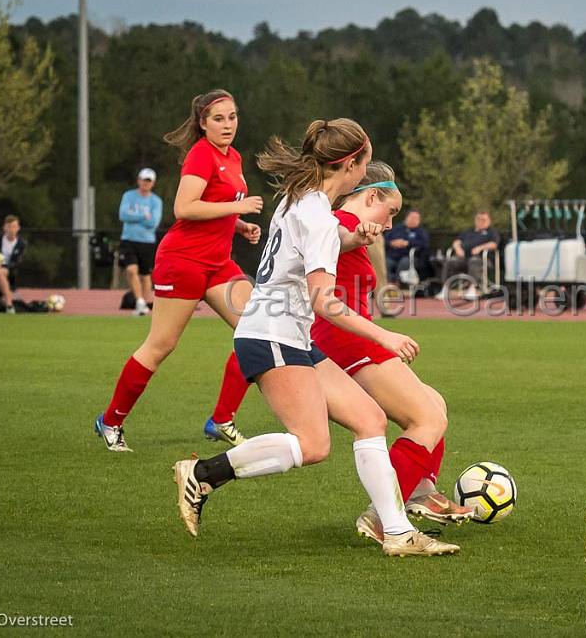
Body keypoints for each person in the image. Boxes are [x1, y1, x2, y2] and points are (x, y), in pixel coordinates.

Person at [171, 118, 458, 557]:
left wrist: (351, 236)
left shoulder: (299, 198)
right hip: (272, 334)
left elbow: (312, 243)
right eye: (366, 159)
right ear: (353, 166)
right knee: (312, 444)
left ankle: (398, 533)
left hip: (289, 334)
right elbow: (325, 301)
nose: (368, 167)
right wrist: (383, 334)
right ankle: (203, 473)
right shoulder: (318, 214)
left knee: (369, 419)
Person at [311, 162, 473, 543]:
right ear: (370, 197)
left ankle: (419, 491)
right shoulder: (339, 223)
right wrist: (383, 334)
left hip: (348, 337)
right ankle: (384, 516)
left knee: (434, 403)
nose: (389, 221)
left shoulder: (345, 225)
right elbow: (339, 235)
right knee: (428, 419)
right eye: (391, 211)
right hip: (349, 338)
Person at [93, 89, 262, 452]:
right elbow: (185, 208)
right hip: (183, 261)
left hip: (218, 262)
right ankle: (111, 421)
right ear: (203, 123)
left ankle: (221, 420)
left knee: (259, 330)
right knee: (161, 345)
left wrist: (238, 224)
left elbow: (218, 205)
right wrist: (242, 207)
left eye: (232, 116)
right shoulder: (202, 155)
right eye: (218, 118)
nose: (228, 124)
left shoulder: (233, 156)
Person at [118, 167, 163, 316]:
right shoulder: (129, 196)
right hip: (128, 239)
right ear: (138, 180)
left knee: (145, 275)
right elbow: (124, 215)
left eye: (149, 181)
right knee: (131, 270)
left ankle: (142, 303)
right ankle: (139, 301)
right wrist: (143, 216)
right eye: (144, 180)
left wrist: (135, 216)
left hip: (147, 242)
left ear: (153, 183)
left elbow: (153, 223)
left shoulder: (156, 201)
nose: (146, 183)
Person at [440, 210, 500, 296]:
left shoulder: (492, 232)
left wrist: (480, 248)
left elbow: (494, 244)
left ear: (489, 220)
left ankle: (473, 288)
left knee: (473, 261)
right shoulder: (468, 231)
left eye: (484, 219)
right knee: (450, 261)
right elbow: (457, 241)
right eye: (479, 219)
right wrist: (458, 248)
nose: (481, 221)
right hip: (464, 258)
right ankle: (445, 288)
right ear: (475, 220)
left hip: (482, 259)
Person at [385, 208, 430, 282]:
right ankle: (386, 285)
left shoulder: (421, 232)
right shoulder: (397, 229)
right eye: (412, 218)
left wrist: (408, 243)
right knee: (386, 262)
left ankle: (397, 283)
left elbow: (424, 245)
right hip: (392, 256)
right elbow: (385, 240)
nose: (414, 220)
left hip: (410, 257)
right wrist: (392, 243)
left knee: (404, 262)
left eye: (417, 218)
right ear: (406, 218)